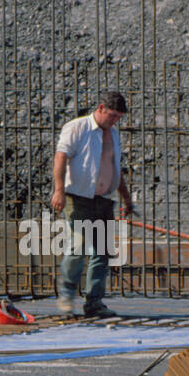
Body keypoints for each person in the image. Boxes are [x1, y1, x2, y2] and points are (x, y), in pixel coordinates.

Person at [50, 89, 134, 318]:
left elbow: (115, 168)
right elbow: (60, 157)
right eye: (112, 115)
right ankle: (66, 293)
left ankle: (94, 301)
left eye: (118, 117)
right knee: (77, 246)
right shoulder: (77, 128)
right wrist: (59, 190)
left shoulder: (113, 134)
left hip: (104, 200)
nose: (115, 120)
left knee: (103, 251)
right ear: (101, 108)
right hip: (79, 197)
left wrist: (125, 197)